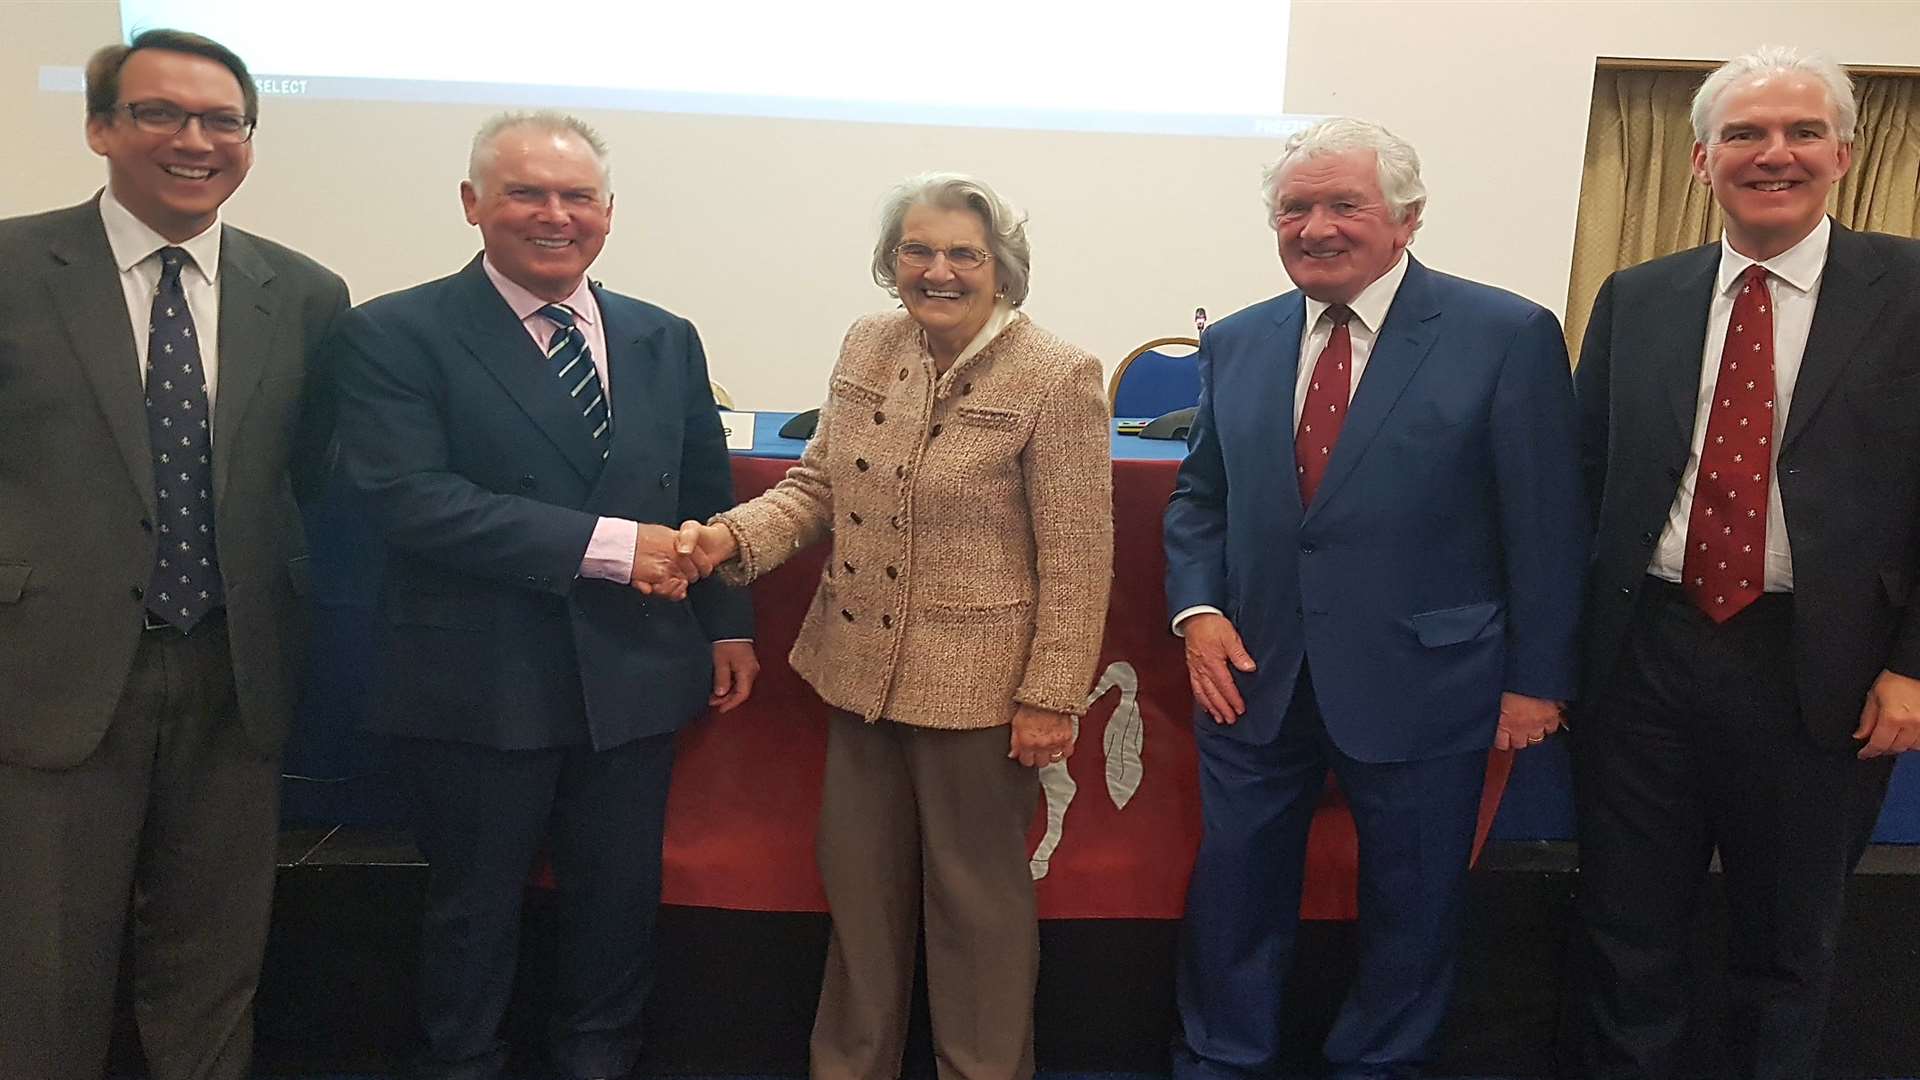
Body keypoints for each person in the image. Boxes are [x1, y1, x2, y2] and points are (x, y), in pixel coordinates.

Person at [330, 111, 757, 1080]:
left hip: (636, 679)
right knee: (473, 926)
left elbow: (703, 494)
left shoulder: (662, 336)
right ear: (473, 203)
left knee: (616, 919)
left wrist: (727, 625)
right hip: (480, 682)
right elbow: (410, 501)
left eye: (577, 197)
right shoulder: (394, 333)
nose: (554, 215)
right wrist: (611, 549)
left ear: (609, 212)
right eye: (527, 192)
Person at [1161, 118, 1586, 1079]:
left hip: (1430, 680)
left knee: (1414, 907)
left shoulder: (1506, 335)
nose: (1316, 226)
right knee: (1233, 901)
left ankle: (1381, 1067)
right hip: (1253, 674)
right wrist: (1198, 610)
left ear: (1406, 219)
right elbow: (1201, 498)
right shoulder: (1237, 340)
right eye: (1295, 207)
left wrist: (1536, 683)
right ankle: (1219, 1061)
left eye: (1343, 204)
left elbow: (1548, 526)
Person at [675, 172, 1113, 1079]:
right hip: (858, 674)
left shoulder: (1057, 373)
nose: (938, 270)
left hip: (984, 695)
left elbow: (1078, 556)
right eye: (918, 250)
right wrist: (724, 540)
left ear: (1003, 270)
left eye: (964, 253)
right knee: (860, 904)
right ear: (891, 262)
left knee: (978, 916)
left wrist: (1051, 697)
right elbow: (818, 486)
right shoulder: (870, 343)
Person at [0, 29, 349, 1080]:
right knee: (42, 974)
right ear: (102, 127)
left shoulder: (305, 293)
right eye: (160, 113)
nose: (196, 140)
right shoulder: (13, 268)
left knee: (213, 972)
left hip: (234, 675)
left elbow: (314, 473)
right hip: (49, 675)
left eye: (223, 120)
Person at [1573, 45, 1920, 1080]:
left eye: (1802, 131)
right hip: (1645, 658)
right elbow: (1584, 480)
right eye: (1745, 134)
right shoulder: (1637, 296)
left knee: (1787, 941)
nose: (1774, 154)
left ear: (1845, 155)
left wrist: (1914, 665)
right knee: (1628, 931)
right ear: (1699, 160)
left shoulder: (1909, 291)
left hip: (1824, 669)